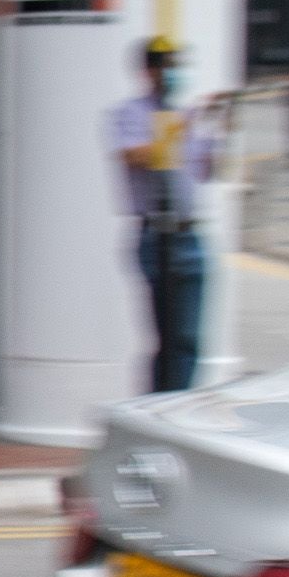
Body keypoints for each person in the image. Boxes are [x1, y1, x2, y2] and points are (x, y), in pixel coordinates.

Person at [109, 36, 228, 393]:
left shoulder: (187, 117)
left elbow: (210, 170)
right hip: (156, 235)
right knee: (167, 338)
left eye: (179, 65)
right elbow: (135, 156)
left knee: (189, 340)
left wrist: (223, 127)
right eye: (168, 66)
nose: (176, 73)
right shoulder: (129, 113)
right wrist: (181, 127)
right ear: (149, 71)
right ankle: (158, 405)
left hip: (190, 236)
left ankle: (175, 403)